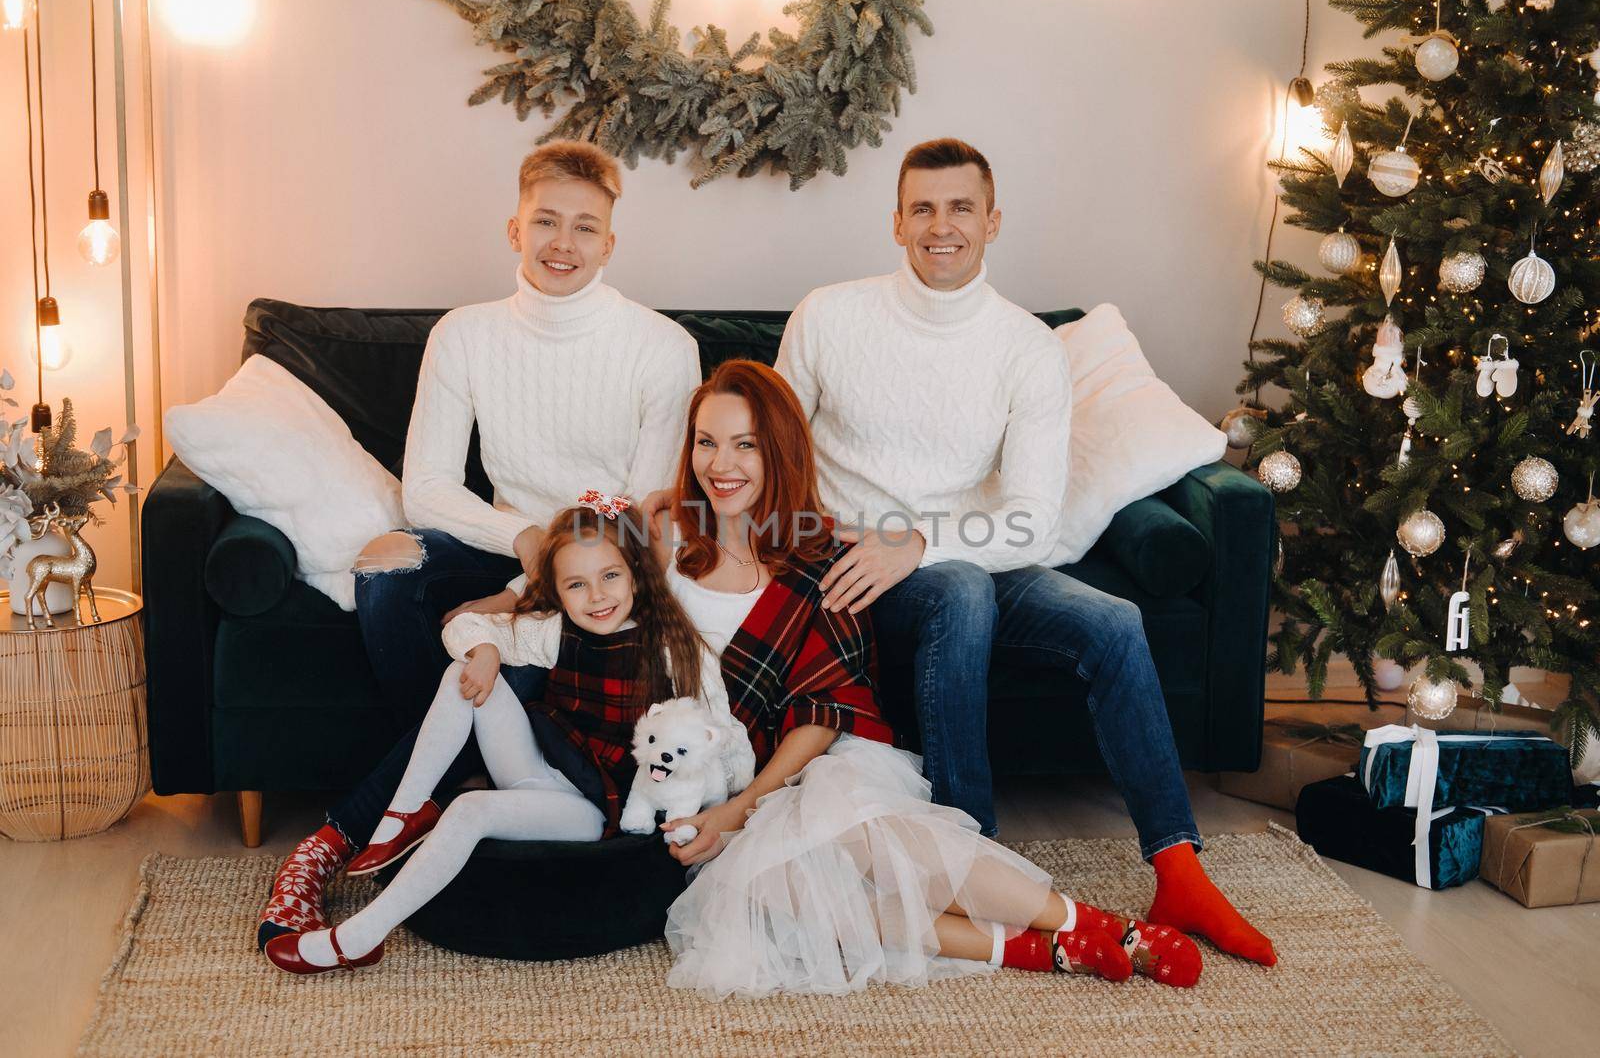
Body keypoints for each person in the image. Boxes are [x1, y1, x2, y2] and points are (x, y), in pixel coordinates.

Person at [769, 137, 1275, 967]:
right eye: (923, 208)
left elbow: (1033, 524)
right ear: (896, 222)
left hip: (963, 555)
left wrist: (921, 540)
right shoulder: (828, 314)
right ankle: (975, 858)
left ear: (992, 220)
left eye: (961, 207)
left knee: (1112, 620)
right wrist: (839, 545)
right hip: (856, 571)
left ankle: (1179, 867)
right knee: (963, 588)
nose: (942, 226)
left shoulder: (1027, 346)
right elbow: (779, 457)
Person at [256, 140, 700, 948]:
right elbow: (424, 486)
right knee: (389, 570)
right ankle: (436, 782)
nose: (563, 244)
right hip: (505, 541)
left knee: (537, 635)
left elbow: (641, 515)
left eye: (585, 227)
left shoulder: (663, 348)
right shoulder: (465, 334)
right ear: (514, 227)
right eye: (546, 222)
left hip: (604, 568)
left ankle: (336, 837)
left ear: (611, 242)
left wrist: (560, 559)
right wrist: (525, 537)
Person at [654, 361, 1202, 998]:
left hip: (810, 761)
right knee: (786, 896)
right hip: (719, 770)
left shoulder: (820, 555)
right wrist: (503, 620)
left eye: (745, 444)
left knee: (854, 831)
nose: (721, 463)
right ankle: (1047, 951)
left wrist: (745, 809)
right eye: (707, 440)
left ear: (778, 452)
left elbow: (827, 708)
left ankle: (1110, 927)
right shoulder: (662, 551)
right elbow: (562, 592)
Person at [263, 499, 722, 974]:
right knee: (464, 673)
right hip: (541, 769)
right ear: (559, 593)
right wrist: (485, 651)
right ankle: (405, 808)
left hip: (592, 807)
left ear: (635, 574)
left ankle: (359, 936)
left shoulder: (673, 649)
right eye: (576, 585)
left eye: (610, 576)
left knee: (467, 810)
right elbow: (466, 624)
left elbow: (719, 735)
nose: (597, 597)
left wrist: (717, 806)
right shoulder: (553, 630)